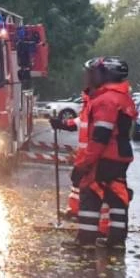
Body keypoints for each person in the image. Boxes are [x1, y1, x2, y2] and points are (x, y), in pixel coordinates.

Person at [62, 57, 136, 250]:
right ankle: (116, 240)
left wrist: (83, 165)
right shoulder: (122, 97)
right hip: (120, 156)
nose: (89, 78)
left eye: (93, 74)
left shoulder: (106, 101)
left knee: (89, 193)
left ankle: (85, 241)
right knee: (117, 197)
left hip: (105, 157)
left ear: (105, 75)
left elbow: (100, 138)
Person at [51, 83, 92, 220]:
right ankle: (75, 210)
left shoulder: (94, 109)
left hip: (92, 156)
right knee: (77, 180)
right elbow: (77, 123)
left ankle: (84, 213)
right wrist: (61, 123)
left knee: (86, 184)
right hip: (85, 155)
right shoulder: (88, 110)